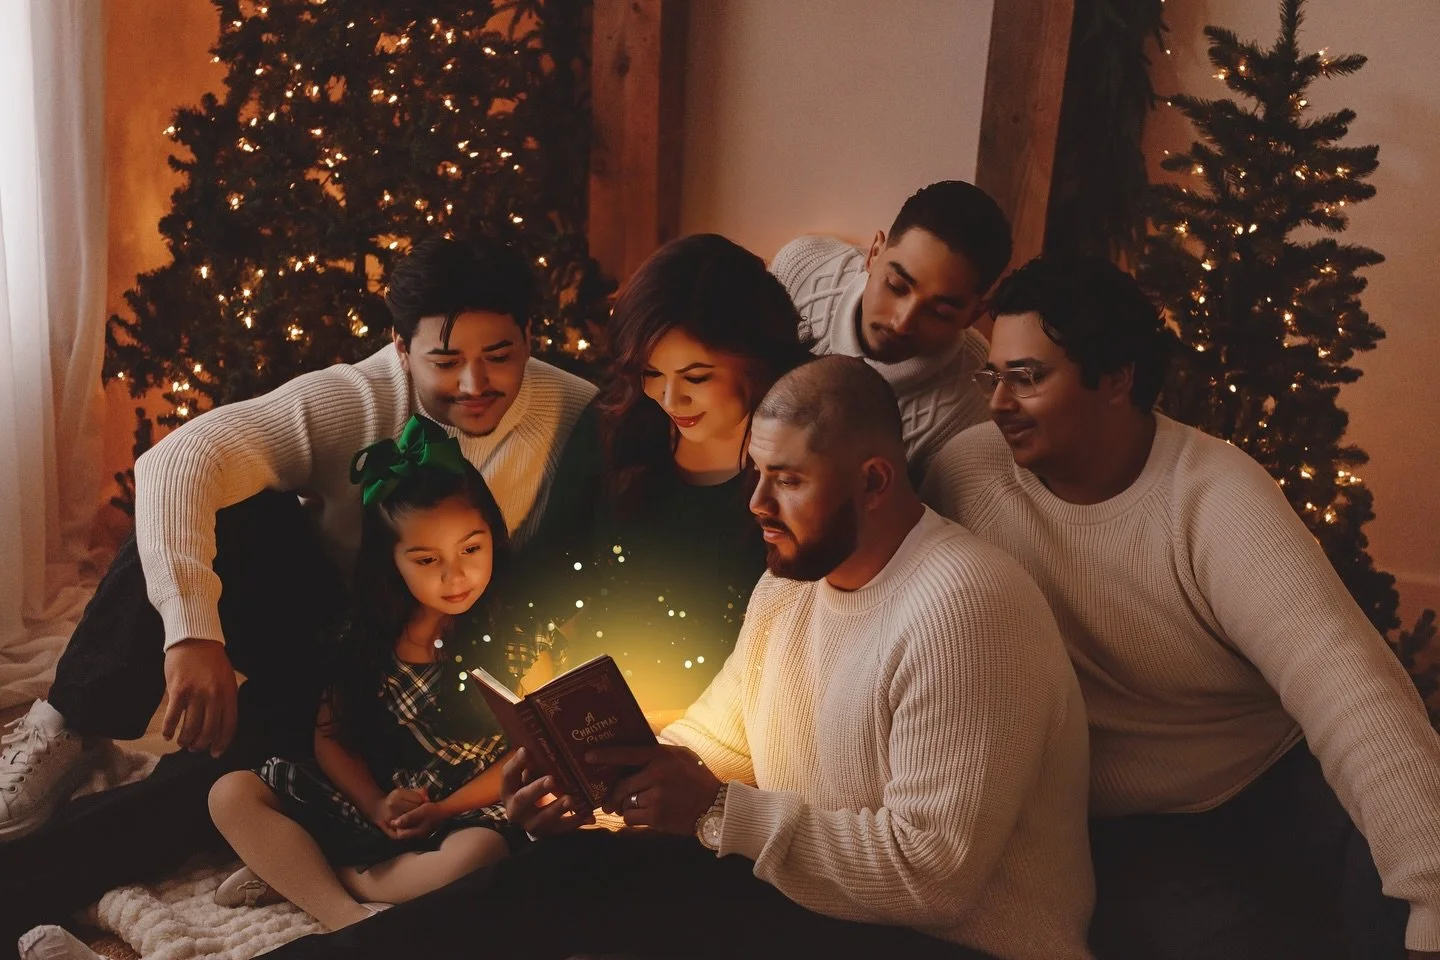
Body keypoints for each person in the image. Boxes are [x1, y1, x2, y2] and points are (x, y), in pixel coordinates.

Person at [264, 356, 1096, 960]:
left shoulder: (965, 608)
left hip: (947, 942)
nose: (759, 505)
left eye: (788, 482)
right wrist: (589, 781)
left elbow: (934, 877)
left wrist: (718, 813)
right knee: (560, 872)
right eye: (754, 476)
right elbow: (721, 739)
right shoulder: (792, 587)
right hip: (820, 905)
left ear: (875, 481)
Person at [0, 237, 595, 943]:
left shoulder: (576, 415)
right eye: (445, 360)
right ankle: (74, 721)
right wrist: (193, 633)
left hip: (436, 668)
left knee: (208, 784)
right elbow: (178, 460)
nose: (475, 383)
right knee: (215, 501)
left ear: (531, 337)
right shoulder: (357, 398)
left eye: (500, 355)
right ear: (401, 349)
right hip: (331, 626)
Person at [921, 256, 1440, 960]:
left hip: (1275, 775)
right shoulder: (967, 473)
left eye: (1028, 378)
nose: (999, 403)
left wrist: (1431, 898)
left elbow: (1352, 690)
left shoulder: (1215, 498)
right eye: (995, 375)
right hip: (1124, 829)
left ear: (1116, 379)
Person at [207, 417, 536, 930]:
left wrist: (445, 809)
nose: (456, 575)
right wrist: (376, 802)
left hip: (463, 811)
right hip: (379, 801)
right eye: (427, 559)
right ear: (394, 561)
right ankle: (345, 916)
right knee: (230, 793)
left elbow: (529, 750)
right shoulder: (368, 637)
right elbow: (330, 739)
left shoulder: (520, 639)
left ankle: (323, 875)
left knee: (480, 857)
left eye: (472, 548)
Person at [515, 233, 812, 712]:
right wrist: (538, 675)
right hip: (593, 714)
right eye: (651, 373)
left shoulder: (809, 454)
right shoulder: (617, 420)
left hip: (733, 734)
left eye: (696, 378)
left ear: (758, 360)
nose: (670, 401)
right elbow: (546, 569)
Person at [771, 179, 1012, 478]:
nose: (903, 322)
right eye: (896, 286)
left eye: (940, 312)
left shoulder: (973, 405)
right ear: (873, 253)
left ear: (974, 314)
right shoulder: (804, 268)